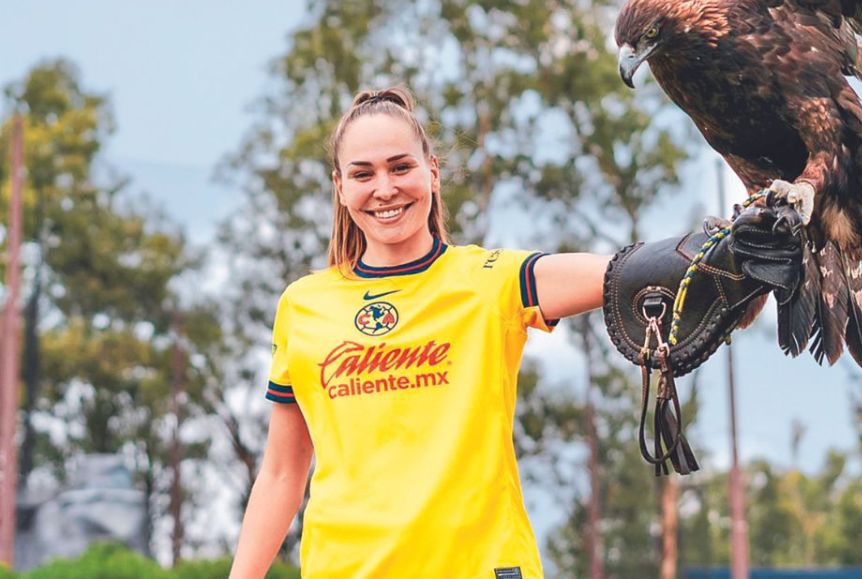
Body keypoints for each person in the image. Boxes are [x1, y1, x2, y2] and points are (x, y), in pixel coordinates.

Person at [228, 87, 609, 579]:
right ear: (340, 187)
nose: (384, 188)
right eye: (363, 174)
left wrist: (709, 253)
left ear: (431, 170)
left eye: (400, 167)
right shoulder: (303, 305)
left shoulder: (489, 281)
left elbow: (619, 273)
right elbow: (282, 472)